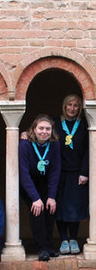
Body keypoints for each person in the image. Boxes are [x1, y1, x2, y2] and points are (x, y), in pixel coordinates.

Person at [19, 114, 61, 261]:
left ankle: (49, 246)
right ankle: (41, 247)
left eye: (48, 129)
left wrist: (51, 196)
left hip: (45, 182)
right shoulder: (25, 144)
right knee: (37, 210)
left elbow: (55, 171)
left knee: (50, 209)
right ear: (34, 129)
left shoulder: (54, 144)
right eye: (41, 128)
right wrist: (35, 198)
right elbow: (23, 174)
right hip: (29, 183)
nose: (44, 132)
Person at [54, 95, 89, 255]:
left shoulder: (83, 124)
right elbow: (41, 131)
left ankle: (73, 239)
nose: (72, 108)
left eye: (76, 105)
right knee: (59, 207)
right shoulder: (55, 123)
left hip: (77, 173)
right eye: (69, 105)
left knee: (74, 207)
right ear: (64, 106)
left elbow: (89, 150)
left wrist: (84, 172)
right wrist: (26, 133)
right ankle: (63, 240)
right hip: (59, 172)